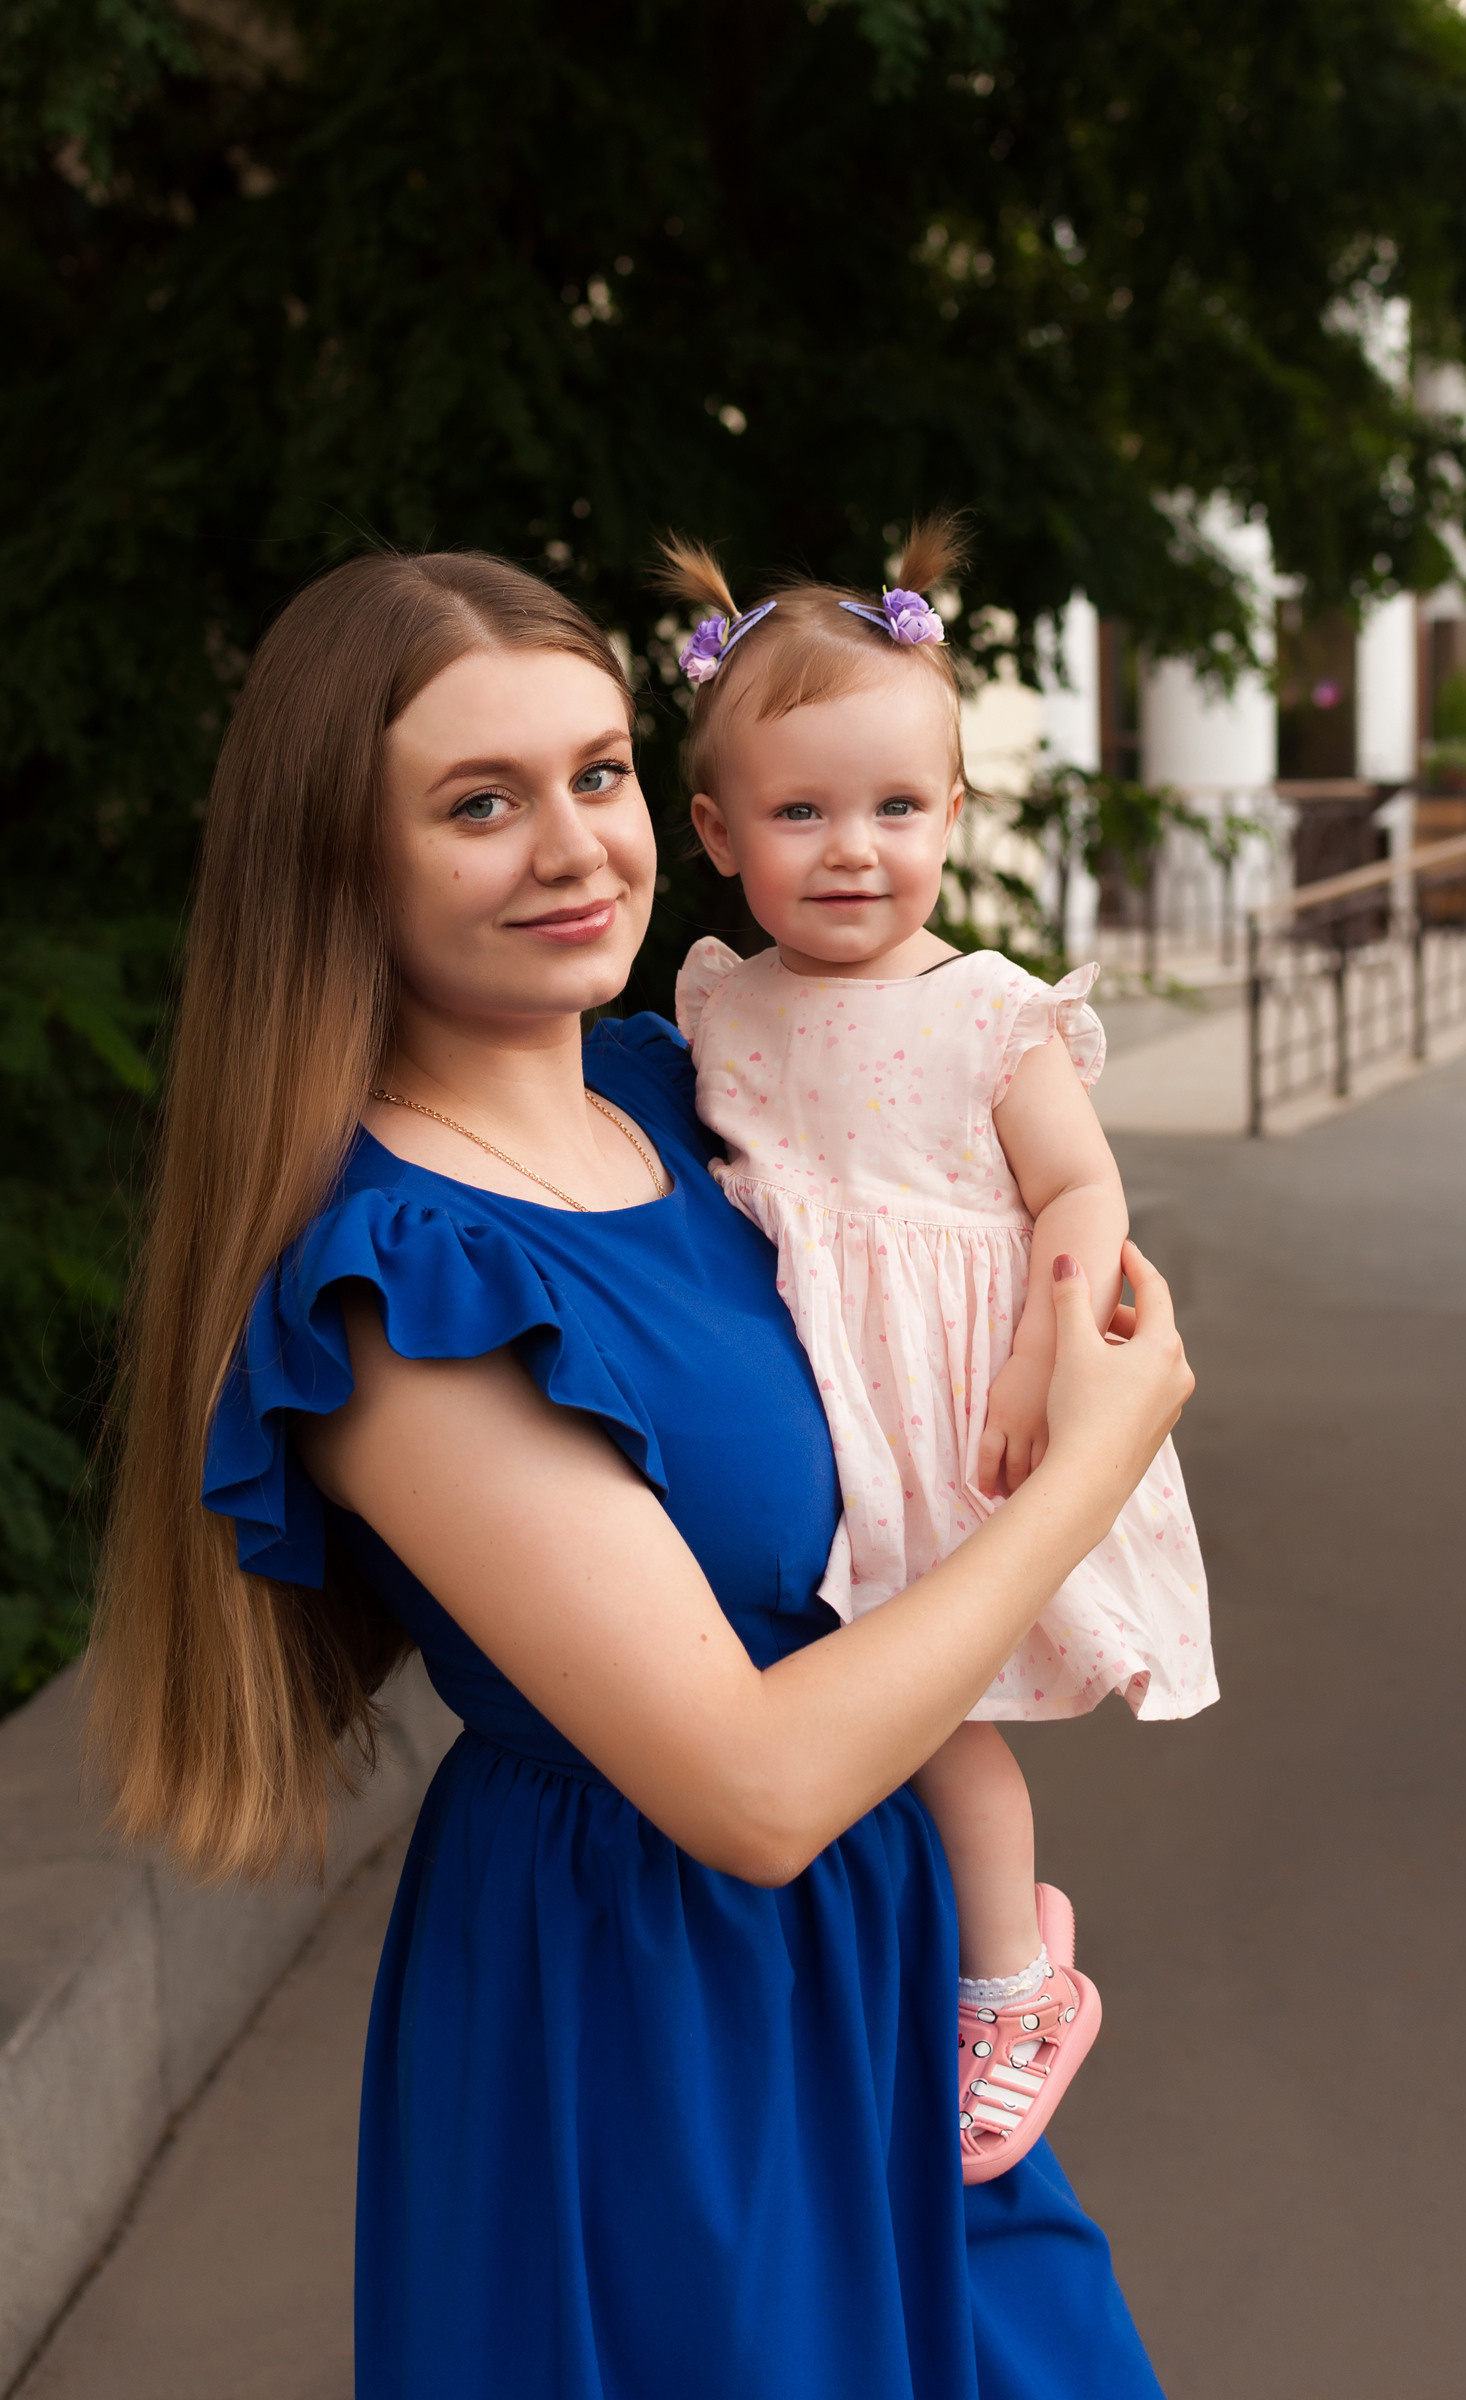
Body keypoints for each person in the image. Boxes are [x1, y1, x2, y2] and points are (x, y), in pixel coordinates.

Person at [88, 549, 1194, 2399]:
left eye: (596, 774)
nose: (575, 848)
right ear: (337, 863)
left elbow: (973, 1134)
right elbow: (749, 1788)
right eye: (477, 803)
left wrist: (1067, 1267)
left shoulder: (689, 1087)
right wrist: (1089, 1471)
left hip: (886, 1953)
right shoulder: (403, 1278)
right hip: (654, 2007)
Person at [664, 518, 1217, 2182]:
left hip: (956, 1403)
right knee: (864, 1715)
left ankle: (1016, 1985)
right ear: (715, 831)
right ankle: (956, 1959)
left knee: (936, 1712)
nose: (854, 850)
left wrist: (1041, 1365)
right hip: (819, 1403)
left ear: (955, 817)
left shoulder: (990, 1007)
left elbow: (1078, 1186)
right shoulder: (715, 1005)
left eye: (899, 808)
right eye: (802, 811)